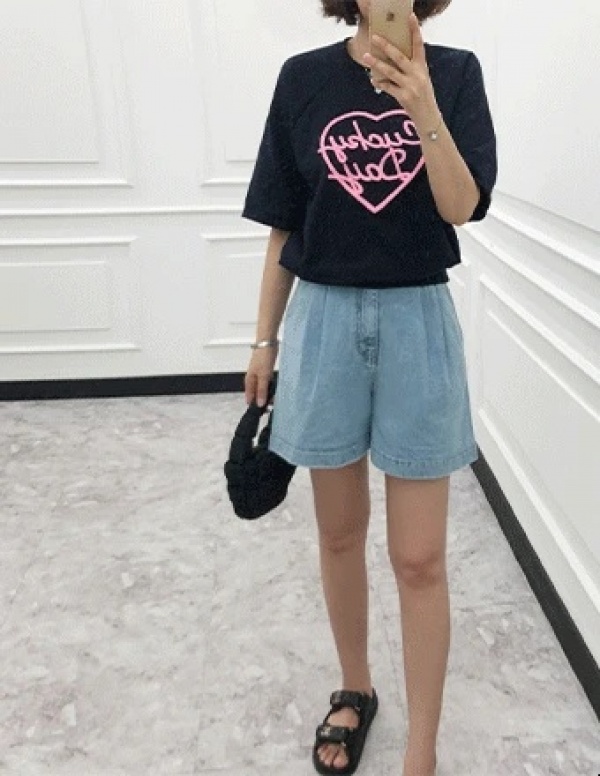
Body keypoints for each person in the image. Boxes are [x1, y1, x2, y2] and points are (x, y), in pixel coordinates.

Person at [242, 0, 497, 773]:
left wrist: (422, 104)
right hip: (323, 320)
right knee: (339, 533)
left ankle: (422, 749)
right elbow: (285, 221)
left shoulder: (454, 74)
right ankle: (356, 688)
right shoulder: (303, 79)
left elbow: (462, 207)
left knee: (419, 558)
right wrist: (264, 339)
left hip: (418, 320)